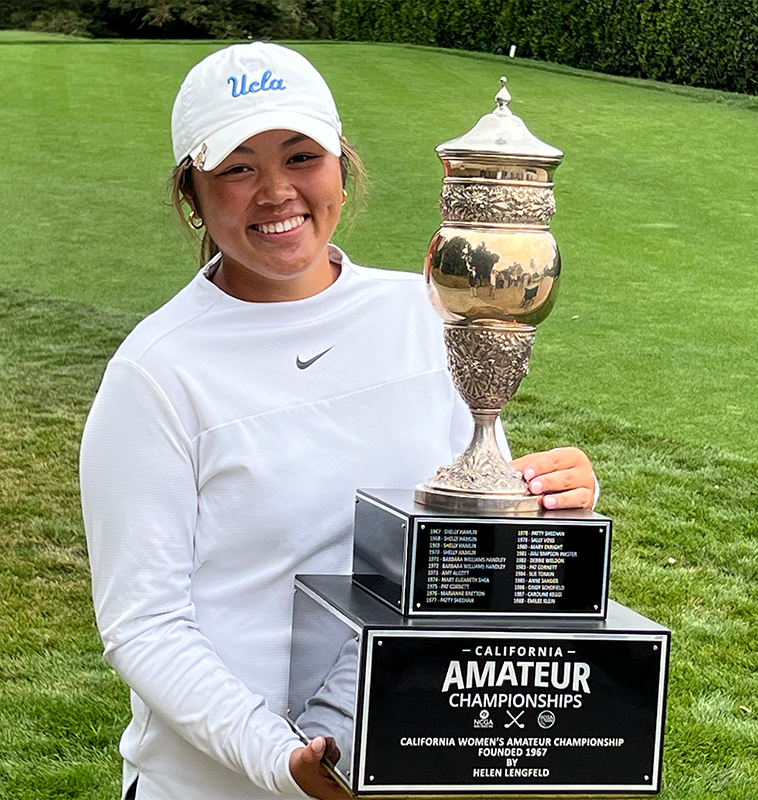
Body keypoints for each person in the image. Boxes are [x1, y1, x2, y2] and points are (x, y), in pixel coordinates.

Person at [80, 42, 597, 800]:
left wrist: (541, 507)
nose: (275, 191)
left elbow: (466, 553)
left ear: (342, 169)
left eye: (300, 156)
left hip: (400, 765)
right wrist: (284, 763)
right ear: (193, 193)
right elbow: (144, 626)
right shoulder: (155, 373)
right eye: (236, 167)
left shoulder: (430, 314)